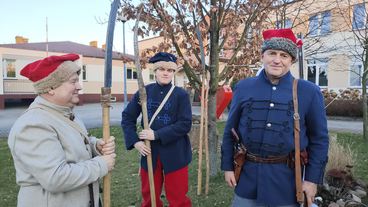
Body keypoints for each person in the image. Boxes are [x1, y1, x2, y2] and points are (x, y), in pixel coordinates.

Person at [221, 28, 329, 207]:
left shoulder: (309, 92)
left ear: (291, 60)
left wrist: (311, 180)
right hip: (248, 179)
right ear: (263, 56)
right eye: (272, 53)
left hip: (287, 183)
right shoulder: (243, 87)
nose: (277, 60)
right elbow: (229, 131)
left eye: (284, 55)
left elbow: (320, 140)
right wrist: (227, 167)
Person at [8, 54, 116, 207]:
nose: (79, 86)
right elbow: (55, 178)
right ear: (50, 88)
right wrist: (101, 165)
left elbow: (68, 143)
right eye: (73, 81)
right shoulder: (33, 125)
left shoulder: (63, 113)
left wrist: (94, 146)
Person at [121, 52, 192, 207]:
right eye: (162, 69)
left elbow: (185, 124)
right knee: (149, 198)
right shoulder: (144, 92)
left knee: (178, 197)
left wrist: (157, 134)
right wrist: (135, 142)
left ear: (173, 72)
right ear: (155, 71)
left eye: (170, 70)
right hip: (150, 152)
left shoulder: (181, 95)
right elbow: (127, 117)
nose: (166, 73)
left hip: (176, 152)